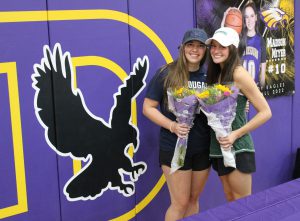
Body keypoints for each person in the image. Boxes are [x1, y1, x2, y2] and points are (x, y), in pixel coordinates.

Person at [143, 28, 211, 220]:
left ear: (205, 50)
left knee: (193, 199)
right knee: (179, 203)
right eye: (191, 45)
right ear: (182, 48)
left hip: (202, 147)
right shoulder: (167, 73)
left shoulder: (210, 76)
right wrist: (172, 126)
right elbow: (148, 107)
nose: (195, 50)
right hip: (174, 147)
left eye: (200, 46)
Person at [205, 27, 272, 201]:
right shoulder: (216, 74)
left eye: (222, 46)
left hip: (238, 147)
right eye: (213, 46)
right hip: (219, 147)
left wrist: (236, 134)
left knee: (243, 204)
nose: (216, 50)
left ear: (233, 49)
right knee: (230, 201)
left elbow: (266, 112)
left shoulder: (239, 73)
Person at [241, 1, 267, 88]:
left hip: (254, 90)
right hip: (240, 91)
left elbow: (262, 73)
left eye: (252, 16)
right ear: (244, 19)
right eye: (246, 17)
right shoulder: (239, 40)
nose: (249, 20)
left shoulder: (261, 41)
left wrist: (260, 91)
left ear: (256, 17)